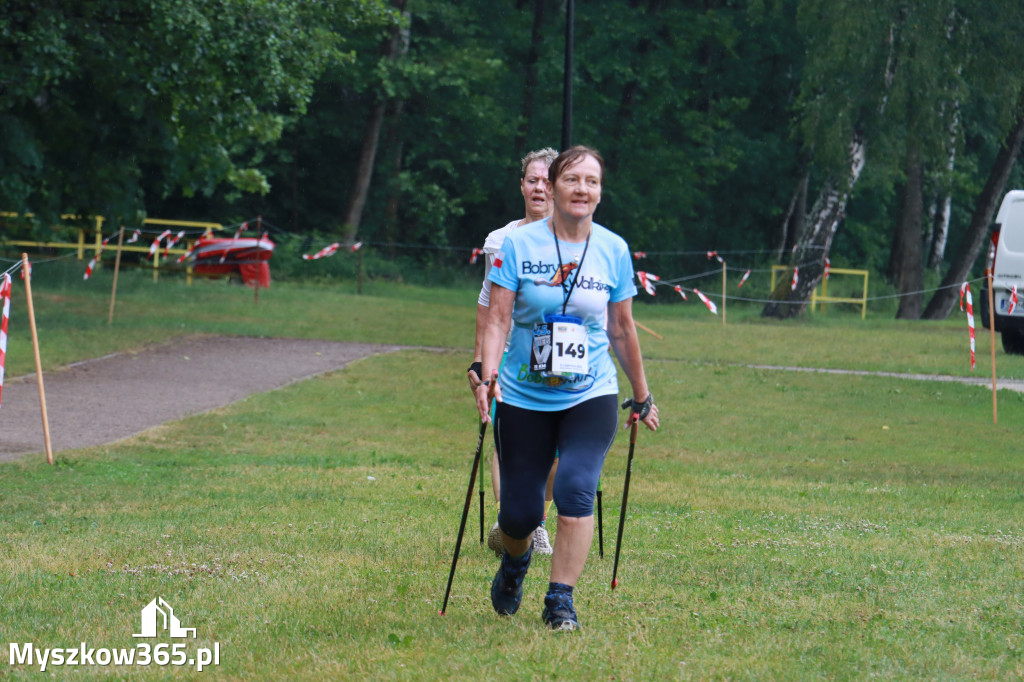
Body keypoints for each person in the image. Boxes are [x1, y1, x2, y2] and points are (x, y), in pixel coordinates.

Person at [475, 145, 659, 632]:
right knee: (519, 515)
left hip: (590, 392)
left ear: (600, 192)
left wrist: (641, 395)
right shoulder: (517, 245)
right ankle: (514, 565)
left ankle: (560, 601)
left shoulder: (613, 249)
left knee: (578, 488)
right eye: (572, 180)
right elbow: (497, 318)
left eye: (592, 181)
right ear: (552, 186)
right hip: (522, 396)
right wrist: (487, 373)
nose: (582, 189)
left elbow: (622, 329)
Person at [468, 147, 559, 557]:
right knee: (510, 440)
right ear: (521, 185)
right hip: (508, 354)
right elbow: (487, 302)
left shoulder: (574, 236)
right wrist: (479, 361)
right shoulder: (500, 240)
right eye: (532, 179)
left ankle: (534, 519)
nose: (539, 187)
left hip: (557, 353)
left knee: (558, 446)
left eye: (547, 180)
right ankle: (512, 524)